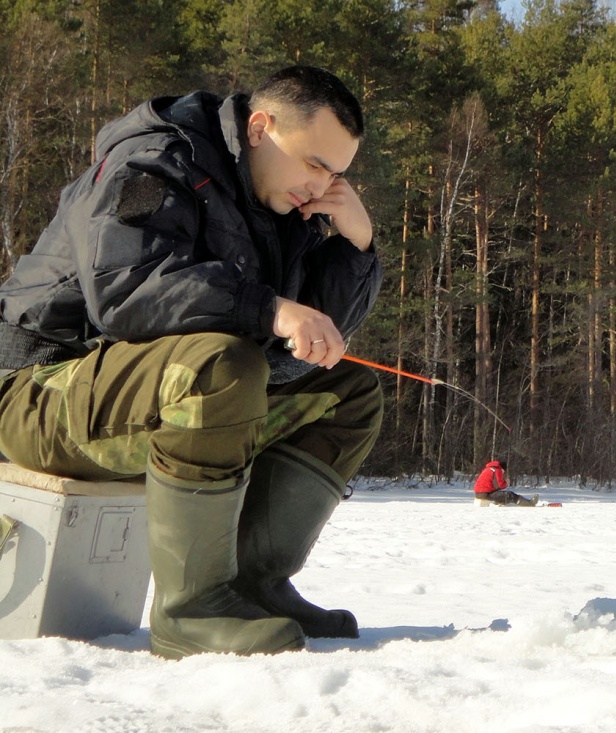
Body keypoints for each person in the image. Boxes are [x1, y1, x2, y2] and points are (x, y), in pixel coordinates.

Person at [0, 66, 384, 659]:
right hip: (41, 389)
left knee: (347, 391)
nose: (323, 186)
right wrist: (267, 308)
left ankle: (253, 583)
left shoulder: (278, 206)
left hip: (142, 389)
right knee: (221, 365)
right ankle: (192, 609)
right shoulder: (152, 163)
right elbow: (125, 290)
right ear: (261, 128)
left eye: (338, 174)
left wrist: (354, 247)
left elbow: (307, 335)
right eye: (315, 165)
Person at [473, 460, 537, 506]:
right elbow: (499, 485)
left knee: (501, 494)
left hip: (479, 493)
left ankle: (500, 502)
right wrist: (506, 482)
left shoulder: (488, 469)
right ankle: (529, 503)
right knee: (510, 494)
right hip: (485, 494)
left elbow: (493, 486)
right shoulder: (497, 470)